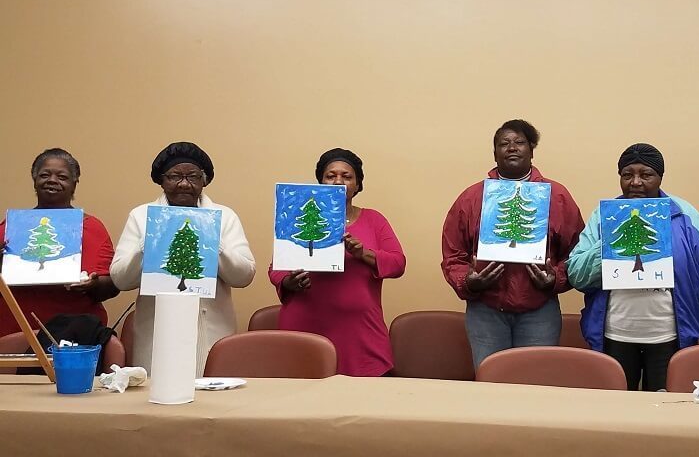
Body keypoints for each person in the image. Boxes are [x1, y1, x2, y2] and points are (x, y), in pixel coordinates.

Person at [567, 143, 699, 391]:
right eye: (627, 175)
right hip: (615, 336)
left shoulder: (685, 216)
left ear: (660, 178)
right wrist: (609, 242)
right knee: (617, 416)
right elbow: (576, 274)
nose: (636, 182)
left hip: (668, 338)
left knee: (666, 414)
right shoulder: (604, 216)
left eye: (646, 174)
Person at [442, 119, 584, 367]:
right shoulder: (472, 197)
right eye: (504, 143)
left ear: (531, 150)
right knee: (491, 383)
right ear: (494, 153)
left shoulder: (557, 196)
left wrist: (556, 279)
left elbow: (577, 251)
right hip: (485, 310)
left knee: (536, 385)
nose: (512, 148)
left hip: (540, 310)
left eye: (519, 142)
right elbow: (453, 254)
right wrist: (468, 281)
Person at [110, 142, 255, 375]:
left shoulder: (224, 217)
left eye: (193, 176)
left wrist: (213, 242)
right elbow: (120, 280)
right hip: (157, 330)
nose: (184, 184)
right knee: (159, 398)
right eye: (175, 176)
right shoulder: (141, 216)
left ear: (204, 180)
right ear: (162, 180)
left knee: (211, 401)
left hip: (210, 330)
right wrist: (146, 245)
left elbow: (244, 276)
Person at [269, 148, 406, 376]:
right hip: (305, 326)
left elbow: (398, 263)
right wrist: (288, 281)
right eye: (330, 176)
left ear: (358, 184)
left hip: (359, 334)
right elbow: (276, 268)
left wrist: (364, 254)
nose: (338, 181)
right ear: (320, 182)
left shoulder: (374, 220)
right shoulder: (297, 214)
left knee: (362, 404)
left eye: (347, 176)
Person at [0, 148, 119, 336]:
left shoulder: (91, 227)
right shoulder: (11, 227)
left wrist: (93, 285)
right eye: (44, 175)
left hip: (75, 332)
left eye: (62, 177)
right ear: (34, 180)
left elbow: (111, 286)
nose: (52, 180)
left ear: (74, 183)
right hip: (13, 331)